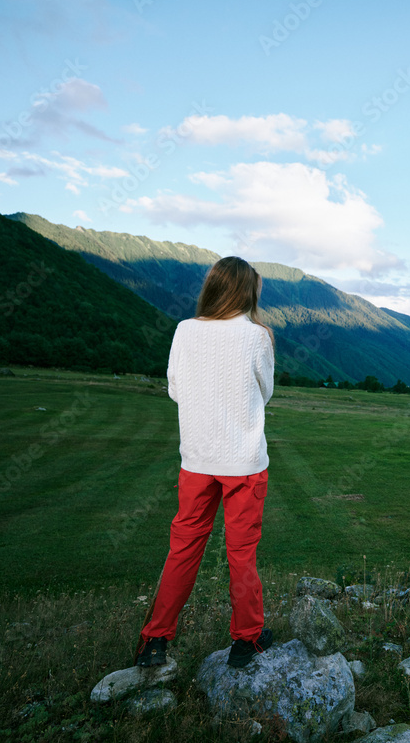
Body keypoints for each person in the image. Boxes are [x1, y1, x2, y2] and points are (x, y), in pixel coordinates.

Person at [135, 257, 275, 669]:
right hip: (244, 461)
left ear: (213, 287)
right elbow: (263, 392)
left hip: (197, 458)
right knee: (241, 552)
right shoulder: (258, 336)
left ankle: (155, 641)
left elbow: (176, 390)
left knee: (184, 547)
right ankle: (246, 640)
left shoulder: (184, 330)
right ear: (248, 292)